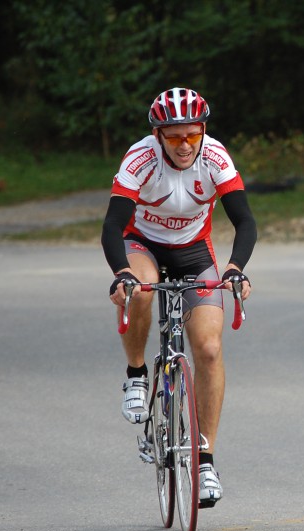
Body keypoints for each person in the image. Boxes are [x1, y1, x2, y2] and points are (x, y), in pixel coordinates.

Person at [101, 87, 256, 508]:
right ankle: (136, 375)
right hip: (143, 245)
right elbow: (112, 226)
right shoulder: (140, 158)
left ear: (203, 130)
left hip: (193, 251)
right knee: (142, 292)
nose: (185, 145)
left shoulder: (216, 157)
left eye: (192, 135)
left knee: (207, 347)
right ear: (158, 135)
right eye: (174, 137)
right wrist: (122, 274)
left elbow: (244, 221)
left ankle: (204, 460)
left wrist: (236, 267)